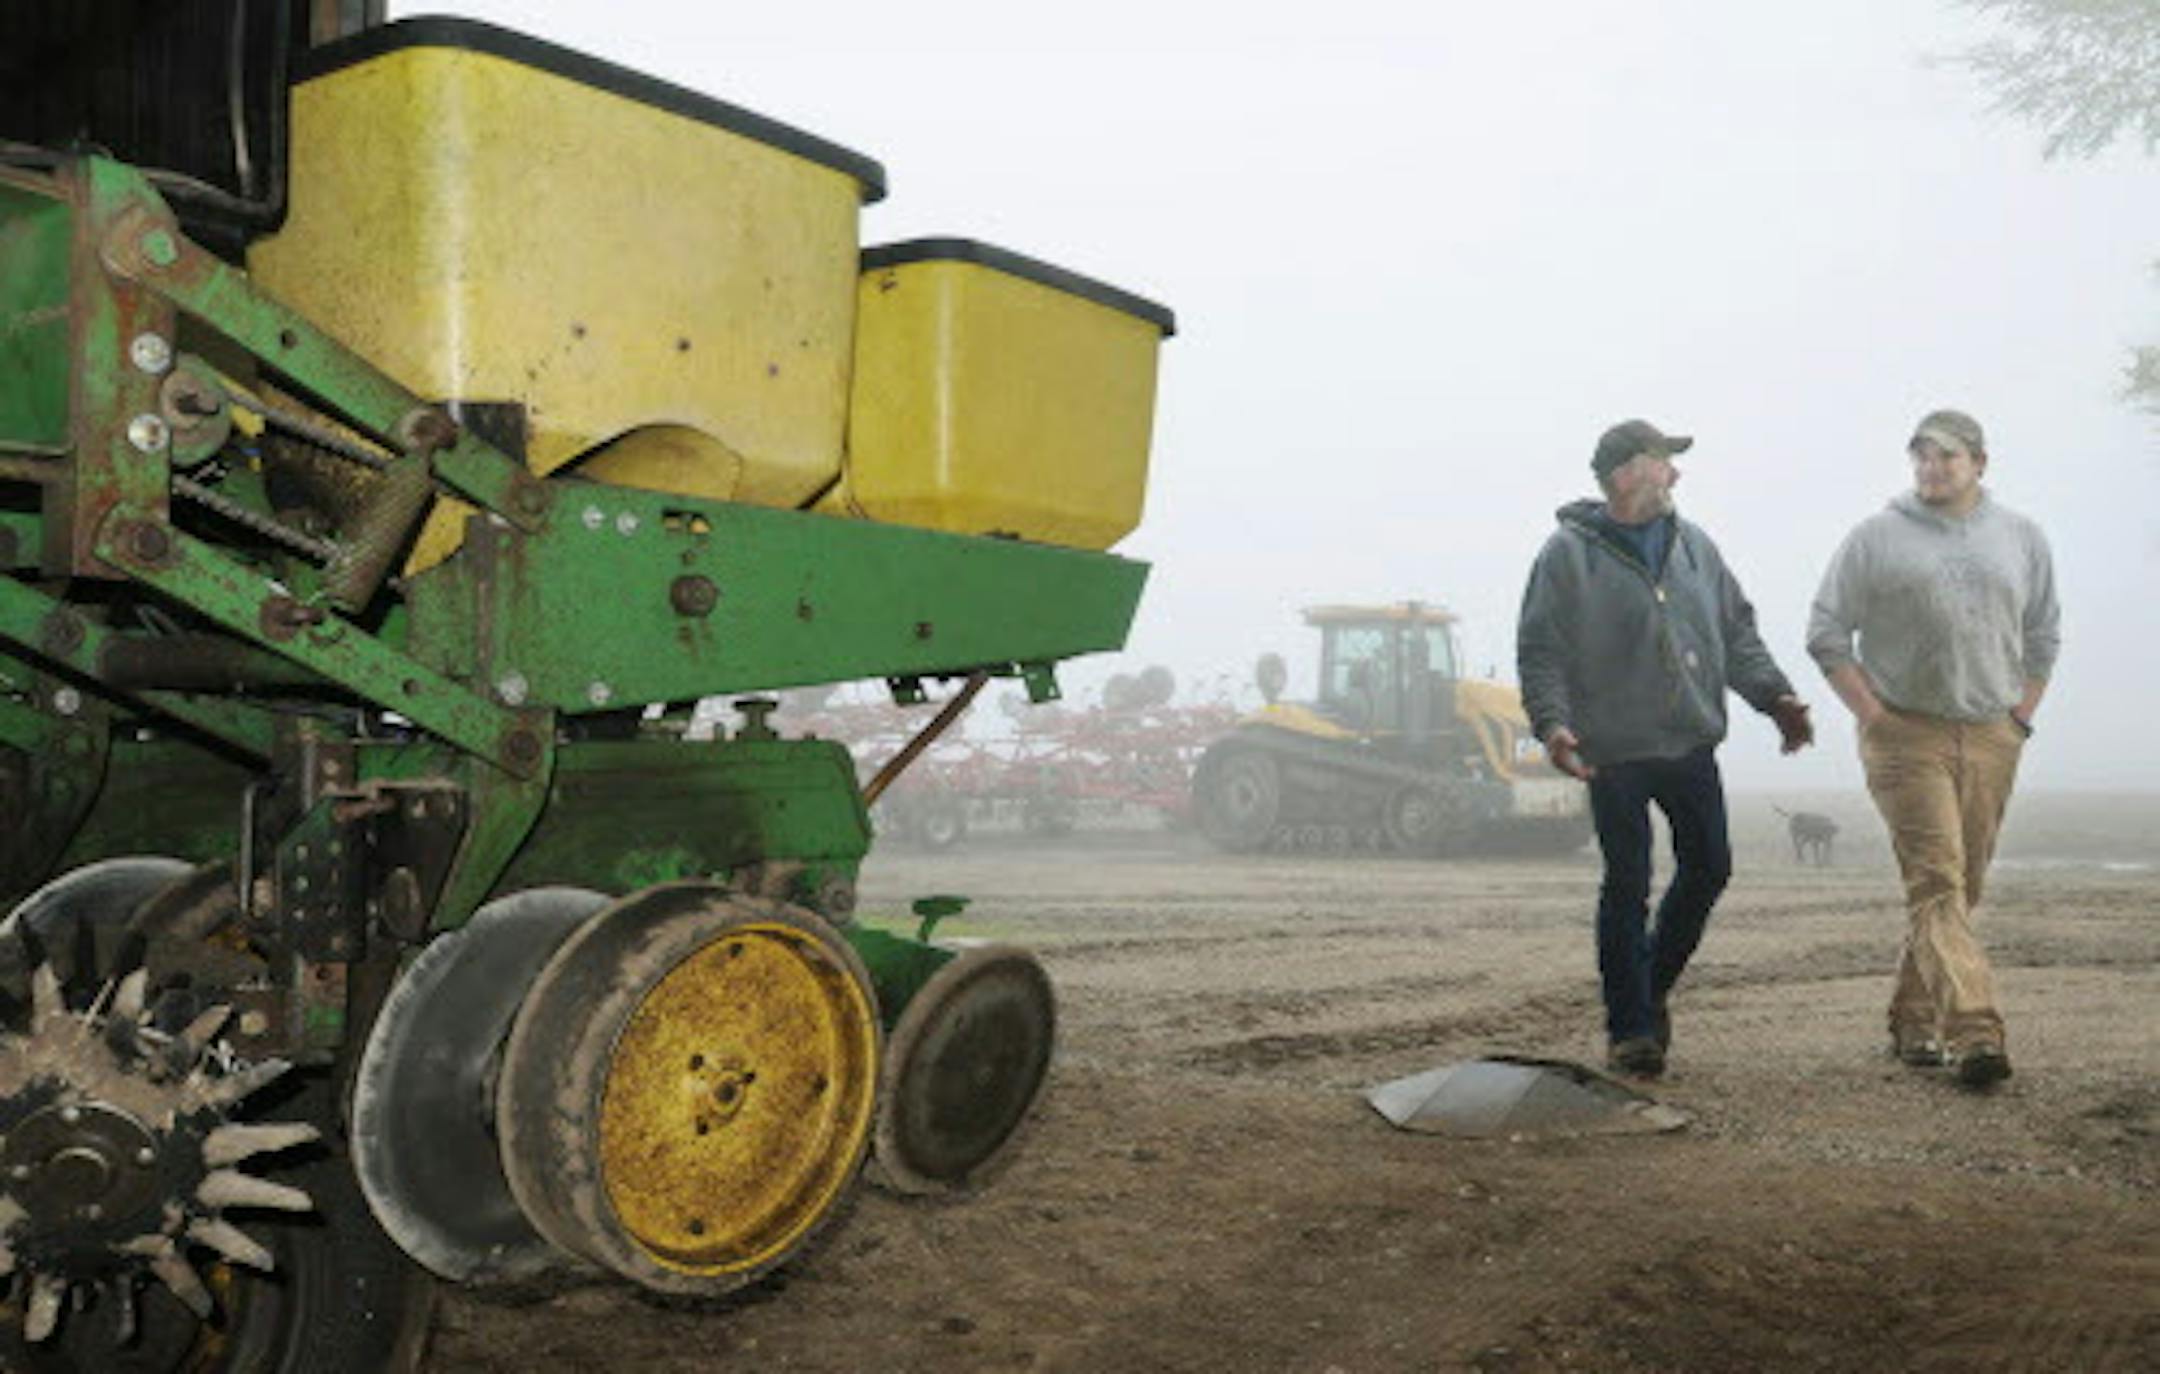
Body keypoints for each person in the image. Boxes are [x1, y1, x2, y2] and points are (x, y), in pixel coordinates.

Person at [1518, 419, 1814, 1078]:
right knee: (1627, 884)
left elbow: (1736, 633)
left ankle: (1646, 991)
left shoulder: (1695, 547)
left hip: (1689, 743)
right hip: (1612, 751)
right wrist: (1552, 725)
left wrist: (1776, 699)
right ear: (1626, 474)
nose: (1674, 475)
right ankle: (1631, 1032)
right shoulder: (1566, 556)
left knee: (1709, 867)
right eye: (1662, 462)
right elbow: (1541, 652)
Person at [1806, 408, 2058, 1091]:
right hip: (1905, 735)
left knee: (1961, 886)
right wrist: (1874, 716)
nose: (1931, 467)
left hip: (1991, 733)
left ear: (1979, 463)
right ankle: (1974, 1030)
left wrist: (2019, 718)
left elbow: (2043, 634)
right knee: (1937, 880)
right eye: (1921, 456)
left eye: (1947, 456)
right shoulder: (1875, 538)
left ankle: (1912, 1016)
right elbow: (1827, 632)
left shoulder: (2022, 539)